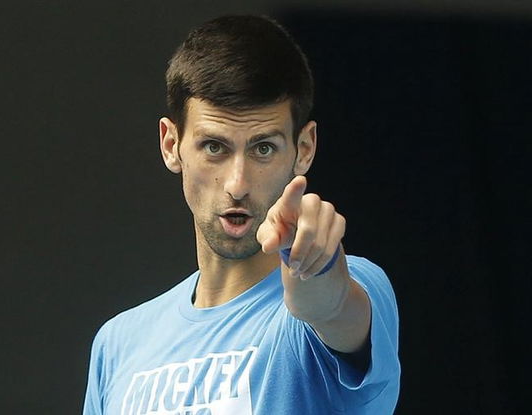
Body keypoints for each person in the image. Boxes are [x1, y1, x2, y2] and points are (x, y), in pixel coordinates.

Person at [83, 15, 400, 415]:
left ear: (303, 149)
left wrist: (316, 272)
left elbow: (332, 307)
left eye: (262, 148)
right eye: (215, 147)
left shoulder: (358, 283)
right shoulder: (118, 344)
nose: (237, 183)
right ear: (171, 145)